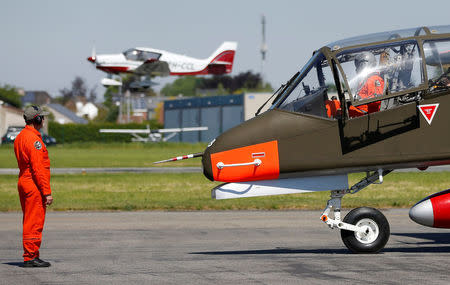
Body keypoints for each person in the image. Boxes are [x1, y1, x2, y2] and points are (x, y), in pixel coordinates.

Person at [13, 105, 53, 267]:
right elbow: (38, 169)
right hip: (33, 184)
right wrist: (47, 192)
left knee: (29, 220)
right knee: (34, 221)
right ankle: (30, 256)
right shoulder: (34, 140)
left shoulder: (21, 137)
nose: (43, 119)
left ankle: (32, 254)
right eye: (42, 117)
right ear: (36, 119)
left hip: (24, 181)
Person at [349, 52, 384, 118]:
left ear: (364, 64)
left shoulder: (373, 79)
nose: (357, 69)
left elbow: (377, 100)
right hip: (363, 112)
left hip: (368, 115)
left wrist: (361, 99)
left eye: (358, 66)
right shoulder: (365, 80)